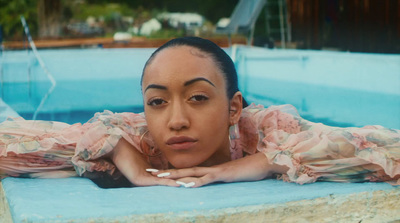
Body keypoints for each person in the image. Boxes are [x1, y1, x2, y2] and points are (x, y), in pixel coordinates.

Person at [0, 37, 399, 188]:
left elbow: (385, 148)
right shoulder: (137, 137)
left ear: (233, 108)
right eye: (157, 101)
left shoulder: (267, 128)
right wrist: (127, 161)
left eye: (198, 98)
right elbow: (13, 142)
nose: (175, 120)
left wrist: (259, 163)